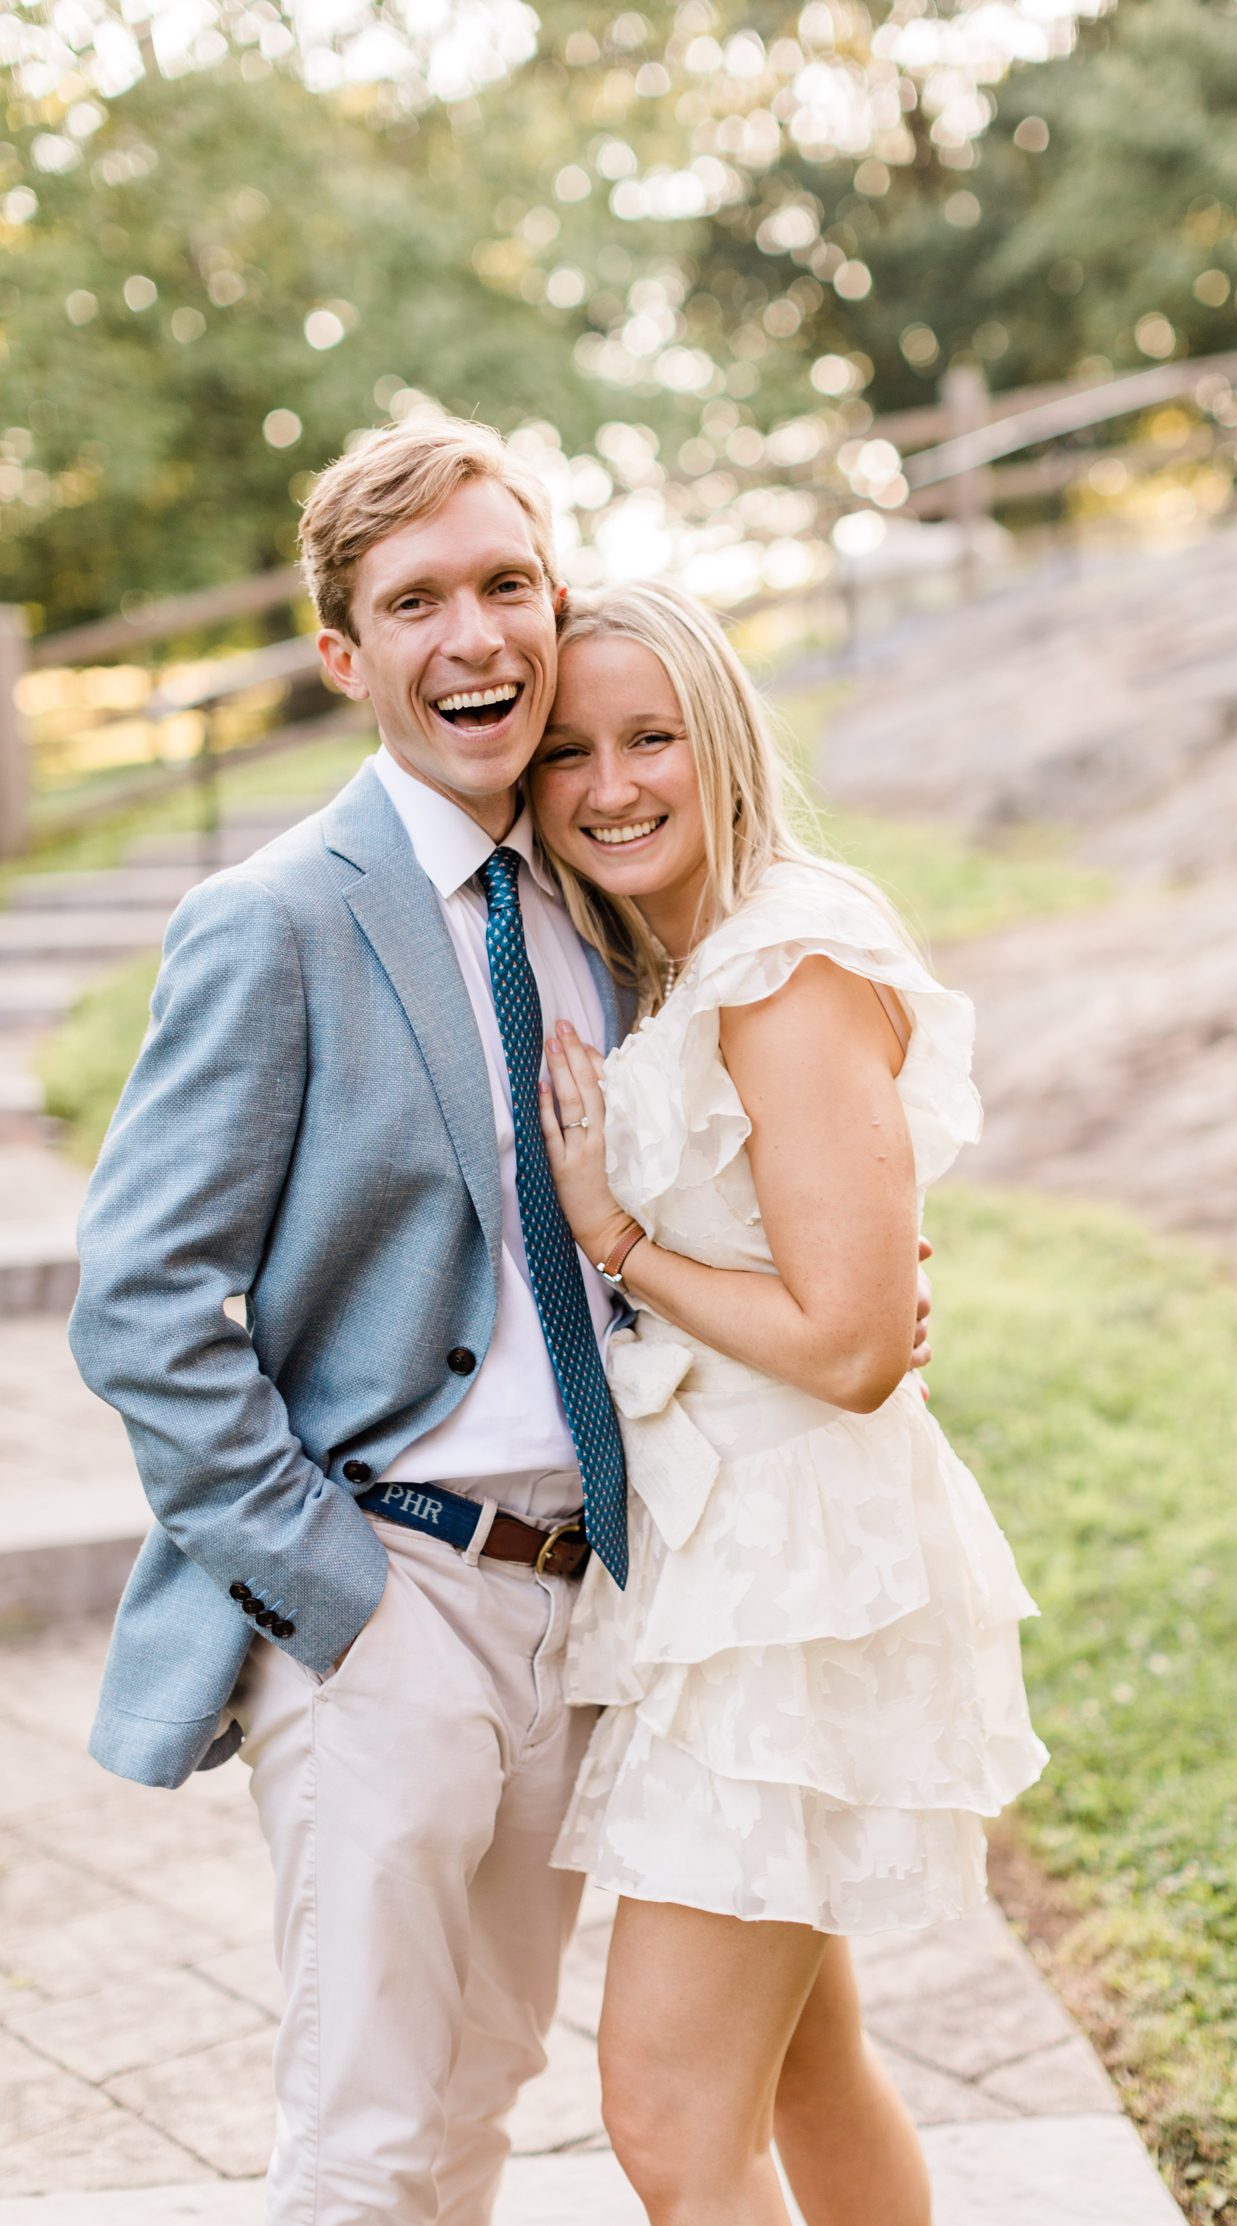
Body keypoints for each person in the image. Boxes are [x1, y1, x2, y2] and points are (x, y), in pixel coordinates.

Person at [67, 412, 931, 2224]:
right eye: (414, 601)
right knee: (367, 2136)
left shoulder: (597, 898)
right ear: (344, 653)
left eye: (505, 585)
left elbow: (756, 1162)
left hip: (587, 1596)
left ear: (550, 604)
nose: (471, 636)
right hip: (383, 1594)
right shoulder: (274, 920)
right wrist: (332, 1593)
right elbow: (144, 1304)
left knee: (480, 2103)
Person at [526, 579, 1048, 2226]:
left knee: (670, 2112)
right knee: (805, 2073)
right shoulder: (684, 962)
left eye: (649, 737)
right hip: (726, 1562)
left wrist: (614, 1236)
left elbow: (851, 1342)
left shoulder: (784, 960)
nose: (610, 783)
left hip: (792, 1582)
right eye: (566, 751)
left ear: (723, 738)